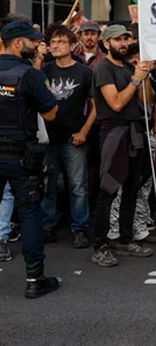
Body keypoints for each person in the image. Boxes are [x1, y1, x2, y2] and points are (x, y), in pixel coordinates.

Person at [0, 21, 61, 297]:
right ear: (16, 43)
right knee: (29, 213)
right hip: (19, 155)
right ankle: (35, 279)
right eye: (32, 40)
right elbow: (51, 113)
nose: (37, 44)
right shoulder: (29, 75)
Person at [91, 25, 154, 267]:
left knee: (131, 189)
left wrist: (143, 75)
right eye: (118, 39)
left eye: (126, 39)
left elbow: (145, 102)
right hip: (114, 133)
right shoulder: (103, 69)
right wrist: (136, 80)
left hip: (134, 133)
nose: (123, 44)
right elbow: (115, 103)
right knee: (108, 191)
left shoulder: (129, 67)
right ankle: (100, 245)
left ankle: (125, 239)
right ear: (106, 43)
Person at [41, 24, 95, 249]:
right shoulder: (44, 69)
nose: (55, 45)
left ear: (74, 46)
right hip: (47, 138)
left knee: (78, 186)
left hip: (73, 137)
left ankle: (79, 228)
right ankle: (47, 226)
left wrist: (84, 131)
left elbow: (95, 106)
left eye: (61, 41)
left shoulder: (84, 72)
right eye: (53, 41)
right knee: (47, 185)